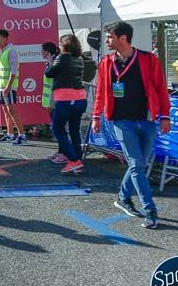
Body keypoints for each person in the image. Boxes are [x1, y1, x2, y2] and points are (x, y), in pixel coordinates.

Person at [91, 21, 171, 230]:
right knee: (136, 164)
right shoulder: (106, 62)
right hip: (121, 121)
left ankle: (123, 197)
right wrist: (96, 116)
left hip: (147, 120)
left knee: (140, 165)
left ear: (123, 38)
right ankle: (150, 211)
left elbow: (161, 88)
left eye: (110, 37)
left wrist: (165, 116)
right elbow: (100, 92)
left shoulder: (147, 59)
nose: (107, 40)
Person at [44, 35, 87, 174]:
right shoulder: (80, 58)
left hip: (65, 99)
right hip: (80, 98)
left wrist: (50, 62)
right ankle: (77, 161)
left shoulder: (62, 58)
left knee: (57, 129)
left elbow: (49, 74)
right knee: (74, 131)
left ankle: (73, 160)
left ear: (64, 45)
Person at [0, 29, 26, 145]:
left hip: (9, 87)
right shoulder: (0, 53)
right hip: (2, 86)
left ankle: (22, 135)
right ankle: (10, 134)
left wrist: (8, 86)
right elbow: (0, 72)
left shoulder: (11, 51)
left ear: (5, 39)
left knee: (12, 111)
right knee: (6, 111)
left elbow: (14, 71)